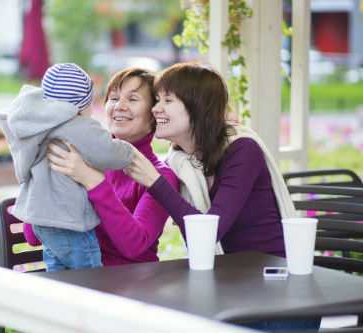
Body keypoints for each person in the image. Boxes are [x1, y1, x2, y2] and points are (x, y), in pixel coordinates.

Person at [123, 62, 320, 331]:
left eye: (167, 100)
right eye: (157, 100)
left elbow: (208, 232)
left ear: (197, 107)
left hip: (280, 295)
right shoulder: (180, 162)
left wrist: (155, 183)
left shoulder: (242, 150)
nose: (156, 109)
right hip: (229, 289)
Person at [0, 63, 134, 272]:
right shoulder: (77, 126)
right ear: (80, 106)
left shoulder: (37, 127)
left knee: (58, 275)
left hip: (43, 224)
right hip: (70, 222)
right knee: (89, 279)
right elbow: (108, 152)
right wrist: (129, 151)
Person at [44, 67, 179, 266]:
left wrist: (93, 181)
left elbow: (135, 246)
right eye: (114, 98)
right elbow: (33, 235)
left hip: (134, 284)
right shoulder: (79, 158)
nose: (119, 106)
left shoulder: (160, 176)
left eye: (132, 99)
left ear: (153, 114)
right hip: (80, 281)